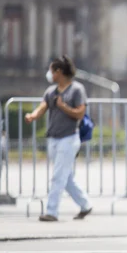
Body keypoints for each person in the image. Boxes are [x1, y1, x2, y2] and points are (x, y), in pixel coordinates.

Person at [25, 55, 92, 222]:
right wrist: (32, 116)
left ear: (59, 72)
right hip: (53, 139)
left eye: (51, 70)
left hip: (69, 138)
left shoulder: (76, 89)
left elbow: (80, 112)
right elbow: (42, 107)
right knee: (65, 176)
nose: (49, 74)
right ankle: (85, 205)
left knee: (57, 176)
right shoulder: (51, 92)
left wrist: (63, 107)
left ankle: (52, 212)